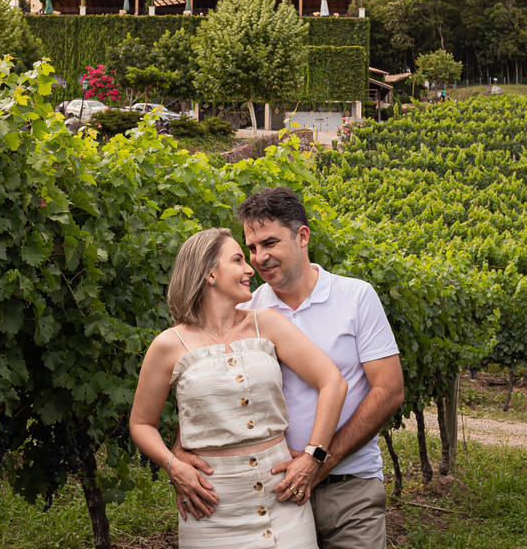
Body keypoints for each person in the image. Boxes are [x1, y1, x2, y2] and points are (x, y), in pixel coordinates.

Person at [173, 187, 405, 548]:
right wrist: (179, 455)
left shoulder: (356, 297)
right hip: (271, 494)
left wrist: (318, 461)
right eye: (251, 248)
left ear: (302, 236)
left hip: (349, 487)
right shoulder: (247, 310)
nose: (259, 257)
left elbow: (389, 392)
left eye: (269, 243)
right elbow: (211, 386)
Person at [130, 227, 348, 548]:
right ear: (209, 273)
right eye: (238, 260)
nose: (250, 269)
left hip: (284, 500)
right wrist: (173, 465)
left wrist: (313, 456)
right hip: (212, 507)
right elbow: (141, 423)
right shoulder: (168, 345)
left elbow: (333, 382)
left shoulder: (266, 324)